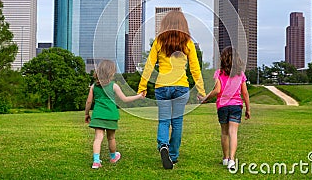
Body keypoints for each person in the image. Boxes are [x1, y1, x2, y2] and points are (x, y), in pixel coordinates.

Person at [137, 10, 206, 169]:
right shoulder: (187, 42)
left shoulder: (159, 41)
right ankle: (173, 156)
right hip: (181, 86)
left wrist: (142, 87)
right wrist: (201, 90)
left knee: (164, 120)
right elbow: (195, 69)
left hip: (162, 86)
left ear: (165, 24)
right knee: (177, 122)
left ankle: (163, 146)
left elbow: (148, 67)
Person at [85, 59, 144, 169]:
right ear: (111, 73)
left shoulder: (93, 86)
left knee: (98, 138)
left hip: (98, 115)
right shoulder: (114, 86)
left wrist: (86, 114)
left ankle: (96, 161)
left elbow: (89, 102)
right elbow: (125, 99)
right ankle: (113, 157)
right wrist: (139, 96)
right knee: (111, 138)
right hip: (111, 115)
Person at [202, 46, 250, 170]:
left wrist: (205, 98)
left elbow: (217, 90)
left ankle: (225, 158)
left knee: (224, 132)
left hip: (222, 106)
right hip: (236, 106)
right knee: (233, 132)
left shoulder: (218, 73)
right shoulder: (241, 74)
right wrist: (248, 109)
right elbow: (245, 93)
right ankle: (232, 160)